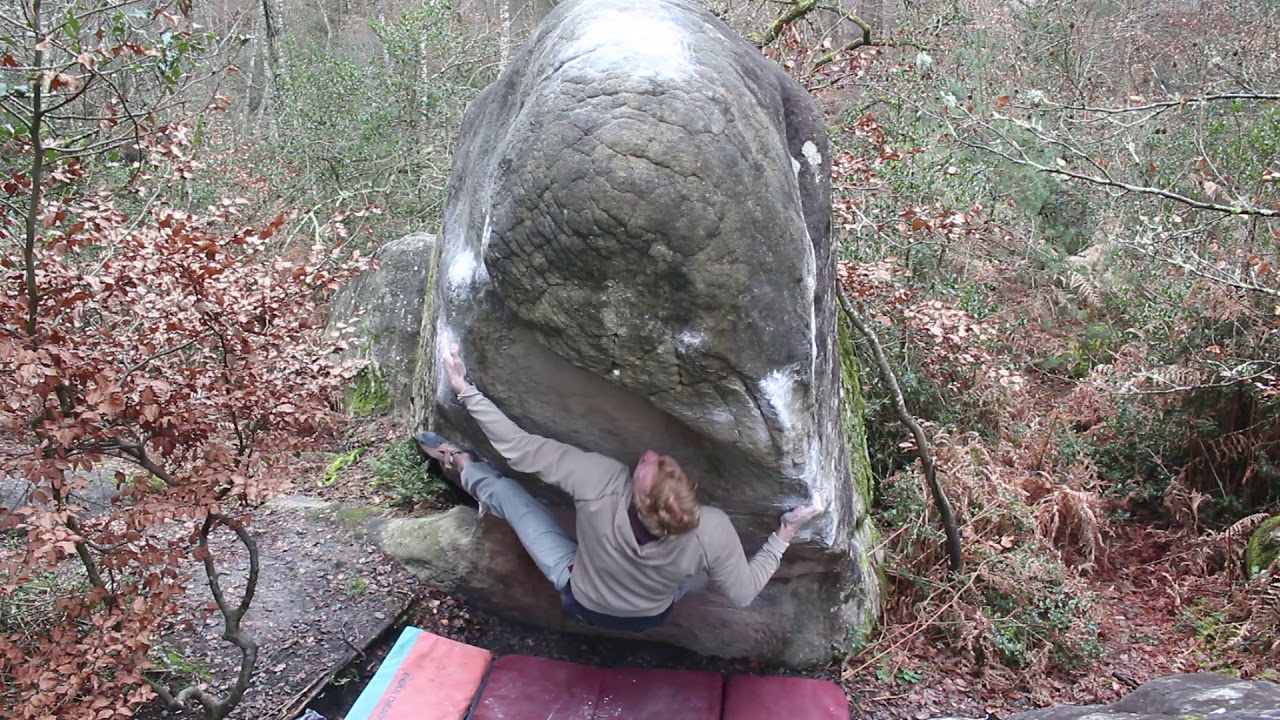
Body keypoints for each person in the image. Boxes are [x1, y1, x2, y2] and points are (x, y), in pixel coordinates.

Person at [417, 343, 823, 633]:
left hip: (583, 596)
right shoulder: (711, 530)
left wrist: (464, 389)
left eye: (649, 467)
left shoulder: (601, 482)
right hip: (651, 612)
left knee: (510, 497)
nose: (649, 455)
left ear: (638, 498)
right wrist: (784, 533)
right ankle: (669, 584)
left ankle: (461, 463)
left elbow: (522, 451)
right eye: (661, 465)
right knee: (698, 580)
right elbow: (743, 593)